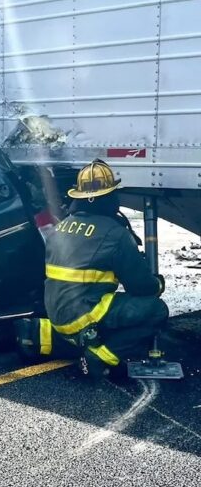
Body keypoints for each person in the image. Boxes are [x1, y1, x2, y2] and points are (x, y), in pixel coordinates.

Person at [41, 159, 168, 377]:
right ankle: (100, 356)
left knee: (108, 304)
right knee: (156, 310)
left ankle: (61, 339)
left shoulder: (60, 227)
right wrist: (157, 284)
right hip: (82, 315)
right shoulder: (115, 234)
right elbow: (140, 287)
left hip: (56, 314)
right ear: (109, 197)